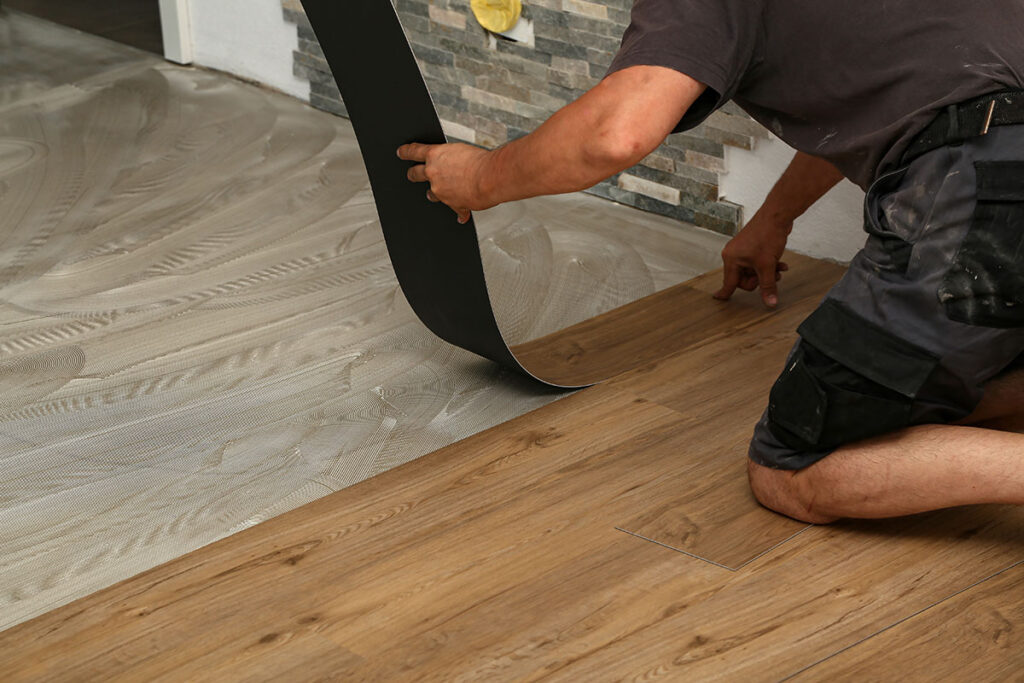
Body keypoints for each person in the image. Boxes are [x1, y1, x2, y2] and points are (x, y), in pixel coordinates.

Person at [397, 0, 1024, 523]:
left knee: (791, 464)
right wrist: (775, 220)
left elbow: (616, 132)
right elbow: (917, 96)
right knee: (939, 386)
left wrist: (482, 178)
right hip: (999, 165)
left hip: (991, 194)